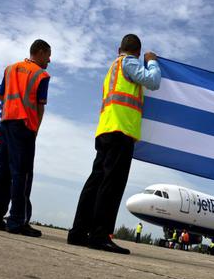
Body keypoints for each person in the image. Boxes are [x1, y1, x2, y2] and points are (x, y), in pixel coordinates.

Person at [67, 34, 161, 255]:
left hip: (105, 129)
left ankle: (78, 231)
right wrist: (153, 61)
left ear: (119, 48)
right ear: (137, 52)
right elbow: (153, 82)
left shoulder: (112, 68)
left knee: (95, 181)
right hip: (121, 130)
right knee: (112, 184)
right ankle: (100, 235)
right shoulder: (129, 63)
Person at [0, 39, 51, 237]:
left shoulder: (10, 69)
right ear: (39, 52)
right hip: (25, 127)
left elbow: (3, 95)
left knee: (1, 169)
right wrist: (35, 129)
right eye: (47, 55)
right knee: (22, 174)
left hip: (6, 122)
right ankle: (16, 221)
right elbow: (40, 106)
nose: (49, 60)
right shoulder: (41, 75)